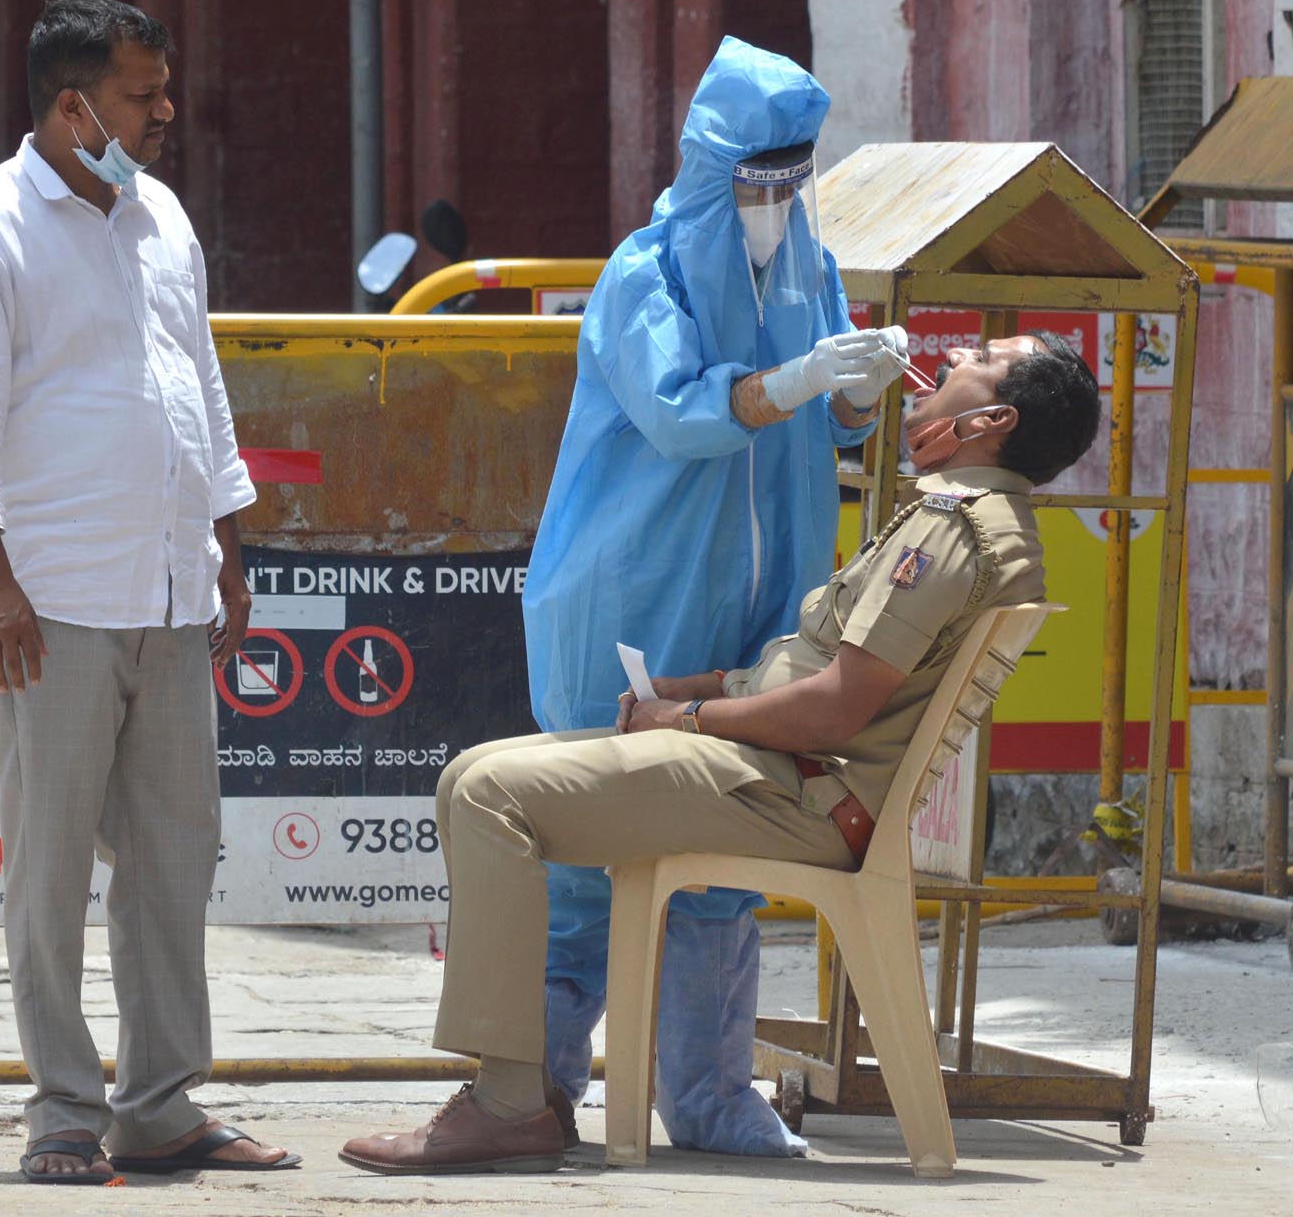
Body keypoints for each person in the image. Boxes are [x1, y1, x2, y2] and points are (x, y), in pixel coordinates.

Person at [340, 331, 1100, 1174]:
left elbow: (833, 708)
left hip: (796, 791)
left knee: (491, 797)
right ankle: (520, 1093)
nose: (955, 352)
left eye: (982, 357)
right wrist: (691, 687)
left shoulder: (954, 528)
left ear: (992, 417)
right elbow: (814, 675)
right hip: (788, 777)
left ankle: (510, 1102)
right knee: (467, 775)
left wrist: (689, 716)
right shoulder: (956, 514)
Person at [0, 0, 297, 1184]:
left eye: (162, 89)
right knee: (50, 868)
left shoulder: (160, 216)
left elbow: (200, 382)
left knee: (176, 861)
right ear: (72, 107)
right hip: (46, 602)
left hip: (168, 593)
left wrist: (224, 538)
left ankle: (163, 1107)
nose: (164, 113)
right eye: (140, 94)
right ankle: (65, 1114)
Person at [521, 35, 903, 1155]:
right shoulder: (642, 273)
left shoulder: (807, 270)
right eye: (760, 175)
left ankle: (705, 1096)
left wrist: (857, 395)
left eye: (795, 173)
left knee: (729, 845)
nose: (778, 198)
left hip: (760, 605)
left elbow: (828, 419)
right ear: (711, 167)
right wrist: (788, 382)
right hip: (629, 599)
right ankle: (535, 1087)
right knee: (590, 846)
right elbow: (682, 413)